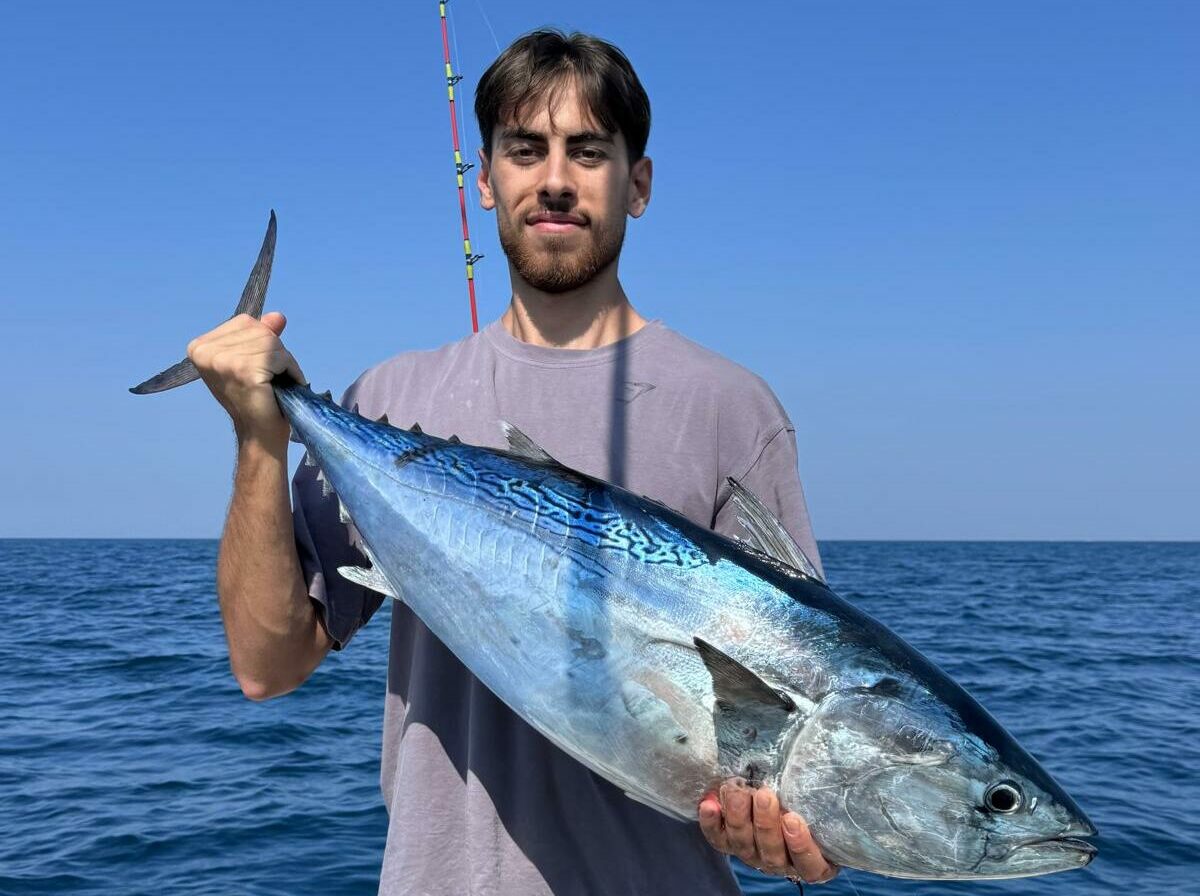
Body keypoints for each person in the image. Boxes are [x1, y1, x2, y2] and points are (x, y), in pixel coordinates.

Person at [186, 29, 838, 896]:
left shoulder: (732, 409)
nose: (555, 180)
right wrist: (259, 438)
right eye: (526, 150)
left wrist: (799, 837)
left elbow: (802, 703)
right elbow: (267, 666)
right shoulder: (392, 397)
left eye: (589, 152)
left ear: (639, 184)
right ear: (486, 181)